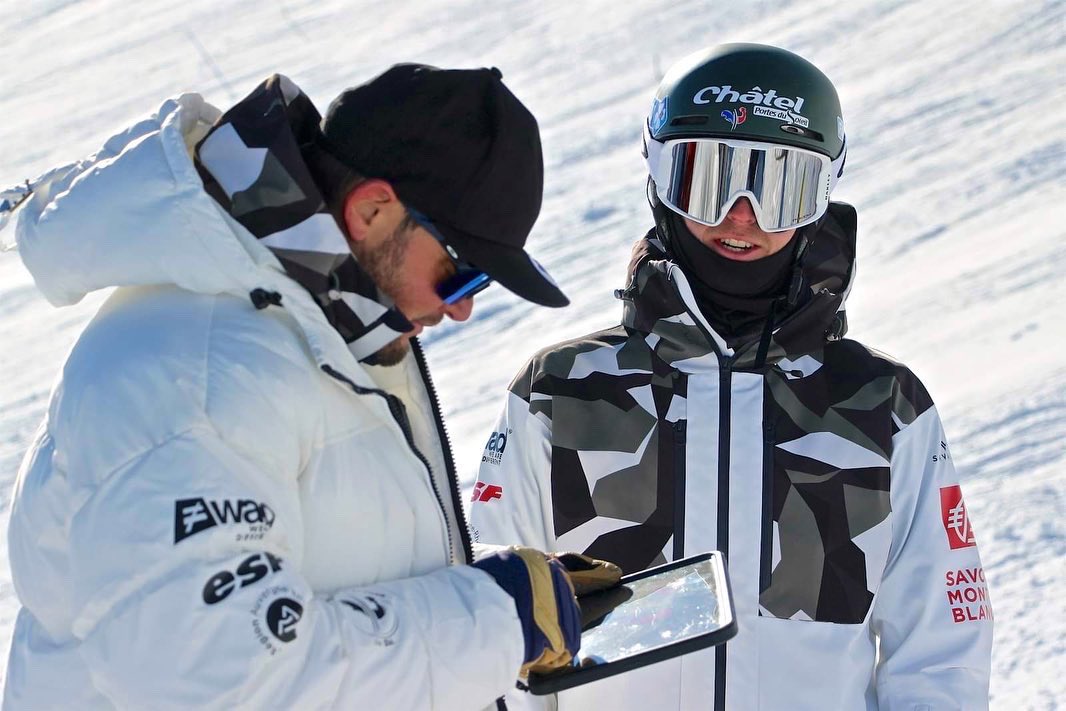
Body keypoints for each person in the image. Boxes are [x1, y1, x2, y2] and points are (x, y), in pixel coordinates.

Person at [2, 64, 621, 709]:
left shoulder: (326, 326)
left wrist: (491, 583)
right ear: (372, 210)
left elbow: (291, 565)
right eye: (461, 273)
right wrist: (493, 619)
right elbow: (224, 680)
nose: (462, 308)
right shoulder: (196, 377)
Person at [470, 43, 993, 710]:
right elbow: (492, 626)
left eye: (779, 186)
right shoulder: (561, 392)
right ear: (660, 175)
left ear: (819, 195)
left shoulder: (883, 408)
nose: (741, 215)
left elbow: (940, 650)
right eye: (710, 178)